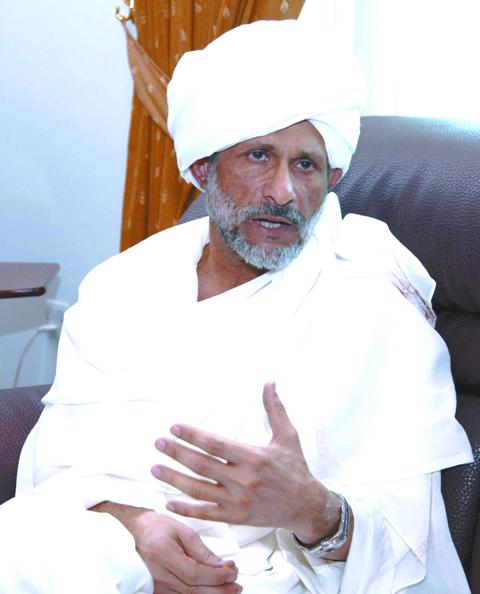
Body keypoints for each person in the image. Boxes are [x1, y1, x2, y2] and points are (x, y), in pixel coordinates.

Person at [0, 16, 473, 594]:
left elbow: (408, 539)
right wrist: (137, 525)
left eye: (306, 165)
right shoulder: (123, 285)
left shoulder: (371, 303)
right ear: (204, 170)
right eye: (258, 156)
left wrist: (312, 510)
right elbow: (62, 461)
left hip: (270, 574)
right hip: (117, 545)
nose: (283, 191)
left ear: (332, 180)